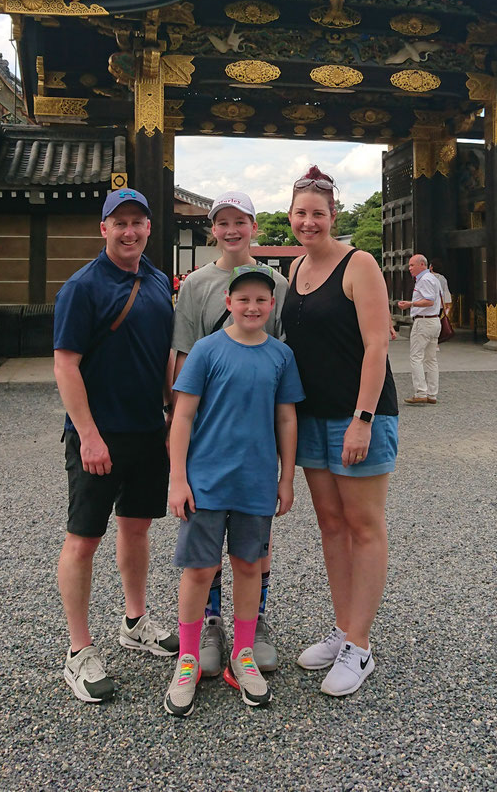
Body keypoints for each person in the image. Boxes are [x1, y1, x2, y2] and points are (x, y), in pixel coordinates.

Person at [53, 188, 178, 703]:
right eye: (119, 222)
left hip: (148, 429)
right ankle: (78, 651)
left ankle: (134, 620)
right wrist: (87, 434)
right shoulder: (82, 287)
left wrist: (174, 415)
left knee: (137, 527)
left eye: (138, 222)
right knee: (83, 538)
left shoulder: (155, 279)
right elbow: (65, 363)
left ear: (149, 228)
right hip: (98, 434)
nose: (130, 231)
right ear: (103, 228)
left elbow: (165, 355)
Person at [165, 264, 304, 717]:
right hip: (205, 480)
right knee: (199, 570)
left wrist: (286, 478)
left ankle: (242, 653)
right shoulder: (206, 350)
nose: (252, 306)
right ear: (228, 303)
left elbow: (286, 417)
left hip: (256, 480)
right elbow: (182, 416)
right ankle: (188, 655)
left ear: (272, 305)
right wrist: (178, 477)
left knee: (248, 565)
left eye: (261, 300)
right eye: (243, 299)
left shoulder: (280, 357)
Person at [282, 166, 398, 697]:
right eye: (301, 213)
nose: (309, 222)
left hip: (359, 415)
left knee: (364, 525)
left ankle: (361, 645)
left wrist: (363, 418)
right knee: (331, 525)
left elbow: (377, 345)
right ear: (290, 217)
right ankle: (342, 626)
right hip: (311, 415)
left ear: (333, 216)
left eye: (318, 213)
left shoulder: (359, 263)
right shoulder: (295, 269)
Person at [172, 191, 289, 678]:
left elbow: (280, 358)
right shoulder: (197, 284)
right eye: (223, 222)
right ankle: (210, 623)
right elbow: (182, 353)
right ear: (212, 229)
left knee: (251, 544)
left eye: (241, 220)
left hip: (255, 435)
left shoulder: (278, 283)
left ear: (255, 226)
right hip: (207, 431)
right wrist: (174, 426)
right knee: (204, 543)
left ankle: (252, 623)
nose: (232, 229)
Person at [398, 254, 442, 406]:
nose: (409, 268)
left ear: (422, 264)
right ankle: (432, 394)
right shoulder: (433, 279)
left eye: (412, 265)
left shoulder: (424, 280)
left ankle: (420, 392)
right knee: (431, 358)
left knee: (416, 357)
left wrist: (411, 304)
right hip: (435, 320)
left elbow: (429, 301)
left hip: (423, 322)